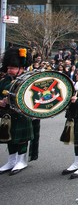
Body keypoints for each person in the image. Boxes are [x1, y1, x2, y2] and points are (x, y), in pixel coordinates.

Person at [0, 47, 34, 175]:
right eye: (8, 68)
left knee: (21, 139)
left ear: (21, 68)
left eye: (12, 68)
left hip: (22, 114)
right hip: (7, 115)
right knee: (10, 138)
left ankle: (22, 160)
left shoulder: (28, 80)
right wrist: (1, 102)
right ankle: (11, 160)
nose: (9, 70)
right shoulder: (4, 81)